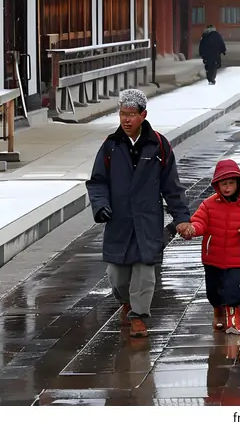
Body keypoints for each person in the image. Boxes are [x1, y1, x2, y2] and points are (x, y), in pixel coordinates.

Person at [86, 89, 193, 338]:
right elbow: (97, 182)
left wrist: (181, 218)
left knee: (145, 274)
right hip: (119, 221)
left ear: (143, 115)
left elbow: (172, 186)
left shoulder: (159, 145)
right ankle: (126, 302)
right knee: (117, 276)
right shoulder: (111, 146)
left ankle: (139, 317)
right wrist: (100, 205)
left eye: (131, 114)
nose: (126, 120)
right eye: (122, 114)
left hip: (147, 221)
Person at [184, 159, 240, 335]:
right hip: (212, 256)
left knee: (233, 288)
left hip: (234, 258)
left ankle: (234, 321)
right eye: (223, 184)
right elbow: (199, 222)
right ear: (217, 184)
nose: (227, 188)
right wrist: (192, 230)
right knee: (214, 290)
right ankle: (218, 311)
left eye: (231, 183)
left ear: (238, 184)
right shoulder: (208, 204)